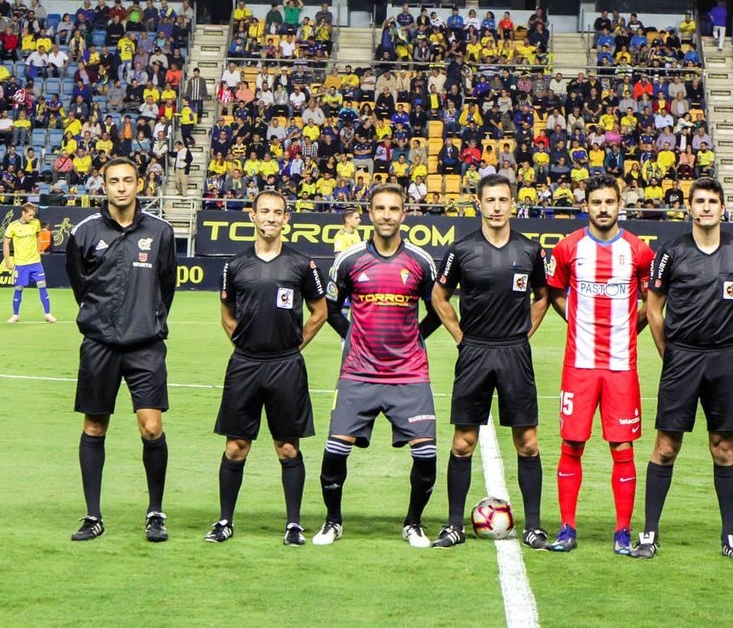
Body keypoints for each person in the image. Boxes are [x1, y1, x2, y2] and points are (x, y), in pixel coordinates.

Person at [634, 177, 733, 562]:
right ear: (689, 207)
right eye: (700, 201)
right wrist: (667, 353)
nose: (706, 207)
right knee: (666, 447)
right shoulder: (671, 252)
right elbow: (653, 308)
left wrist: (728, 340)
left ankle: (731, 536)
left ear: (723, 208)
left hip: (723, 359)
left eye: (713, 202)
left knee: (723, 448)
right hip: (682, 359)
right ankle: (649, 533)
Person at [314, 184, 442, 548]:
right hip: (358, 372)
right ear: (370, 213)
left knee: (426, 453)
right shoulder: (350, 260)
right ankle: (332, 521)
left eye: (394, 209)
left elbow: (438, 310)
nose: (387, 215)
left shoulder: (420, 262)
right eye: (380, 208)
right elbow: (329, 308)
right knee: (336, 448)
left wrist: (415, 338)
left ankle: (413, 523)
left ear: (404, 214)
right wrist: (348, 334)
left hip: (409, 374)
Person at [429, 175, 551, 549]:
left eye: (503, 200)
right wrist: (460, 336)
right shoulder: (460, 250)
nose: (497, 207)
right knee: (463, 442)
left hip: (514, 353)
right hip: (475, 352)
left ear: (513, 203)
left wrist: (523, 333)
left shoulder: (530, 251)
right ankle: (453, 525)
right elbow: (439, 296)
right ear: (478, 204)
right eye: (490, 200)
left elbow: (543, 296)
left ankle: (533, 526)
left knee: (527, 443)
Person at [206, 190, 328, 546]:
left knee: (287, 447)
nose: (271, 218)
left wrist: (294, 344)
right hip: (244, 365)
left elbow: (320, 311)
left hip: (285, 366)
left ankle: (293, 525)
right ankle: (225, 521)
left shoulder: (302, 265)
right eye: (265, 211)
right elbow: (227, 314)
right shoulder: (235, 266)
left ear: (286, 219)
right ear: (253, 217)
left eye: (278, 212)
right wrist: (242, 342)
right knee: (235, 447)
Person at [65, 158, 178, 543]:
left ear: (138, 184)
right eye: (114, 181)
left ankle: (156, 512)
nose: (121, 187)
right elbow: (80, 286)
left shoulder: (160, 232)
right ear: (104, 186)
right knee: (95, 425)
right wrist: (101, 320)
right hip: (99, 344)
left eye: (128, 180)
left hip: (145, 346)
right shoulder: (84, 232)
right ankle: (93, 515)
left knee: (151, 427)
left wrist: (149, 320)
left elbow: (167, 286)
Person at [544, 175, 655, 555]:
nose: (603, 208)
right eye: (596, 202)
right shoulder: (568, 248)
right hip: (580, 364)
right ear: (586, 205)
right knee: (571, 443)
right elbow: (555, 292)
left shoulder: (639, 251)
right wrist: (575, 320)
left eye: (610, 202)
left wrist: (631, 327)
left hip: (622, 366)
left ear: (619, 203)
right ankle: (567, 528)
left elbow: (652, 301)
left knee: (622, 448)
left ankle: (622, 530)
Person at [3, 203, 57, 323]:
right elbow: (6, 243)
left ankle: (48, 314)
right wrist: (7, 261)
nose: (32, 217)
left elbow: (38, 237)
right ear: (23, 213)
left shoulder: (36, 223)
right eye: (30, 215)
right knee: (18, 288)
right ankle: (15, 315)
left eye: (33, 215)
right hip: (21, 263)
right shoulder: (13, 226)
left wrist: (38, 251)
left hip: (35, 262)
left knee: (42, 286)